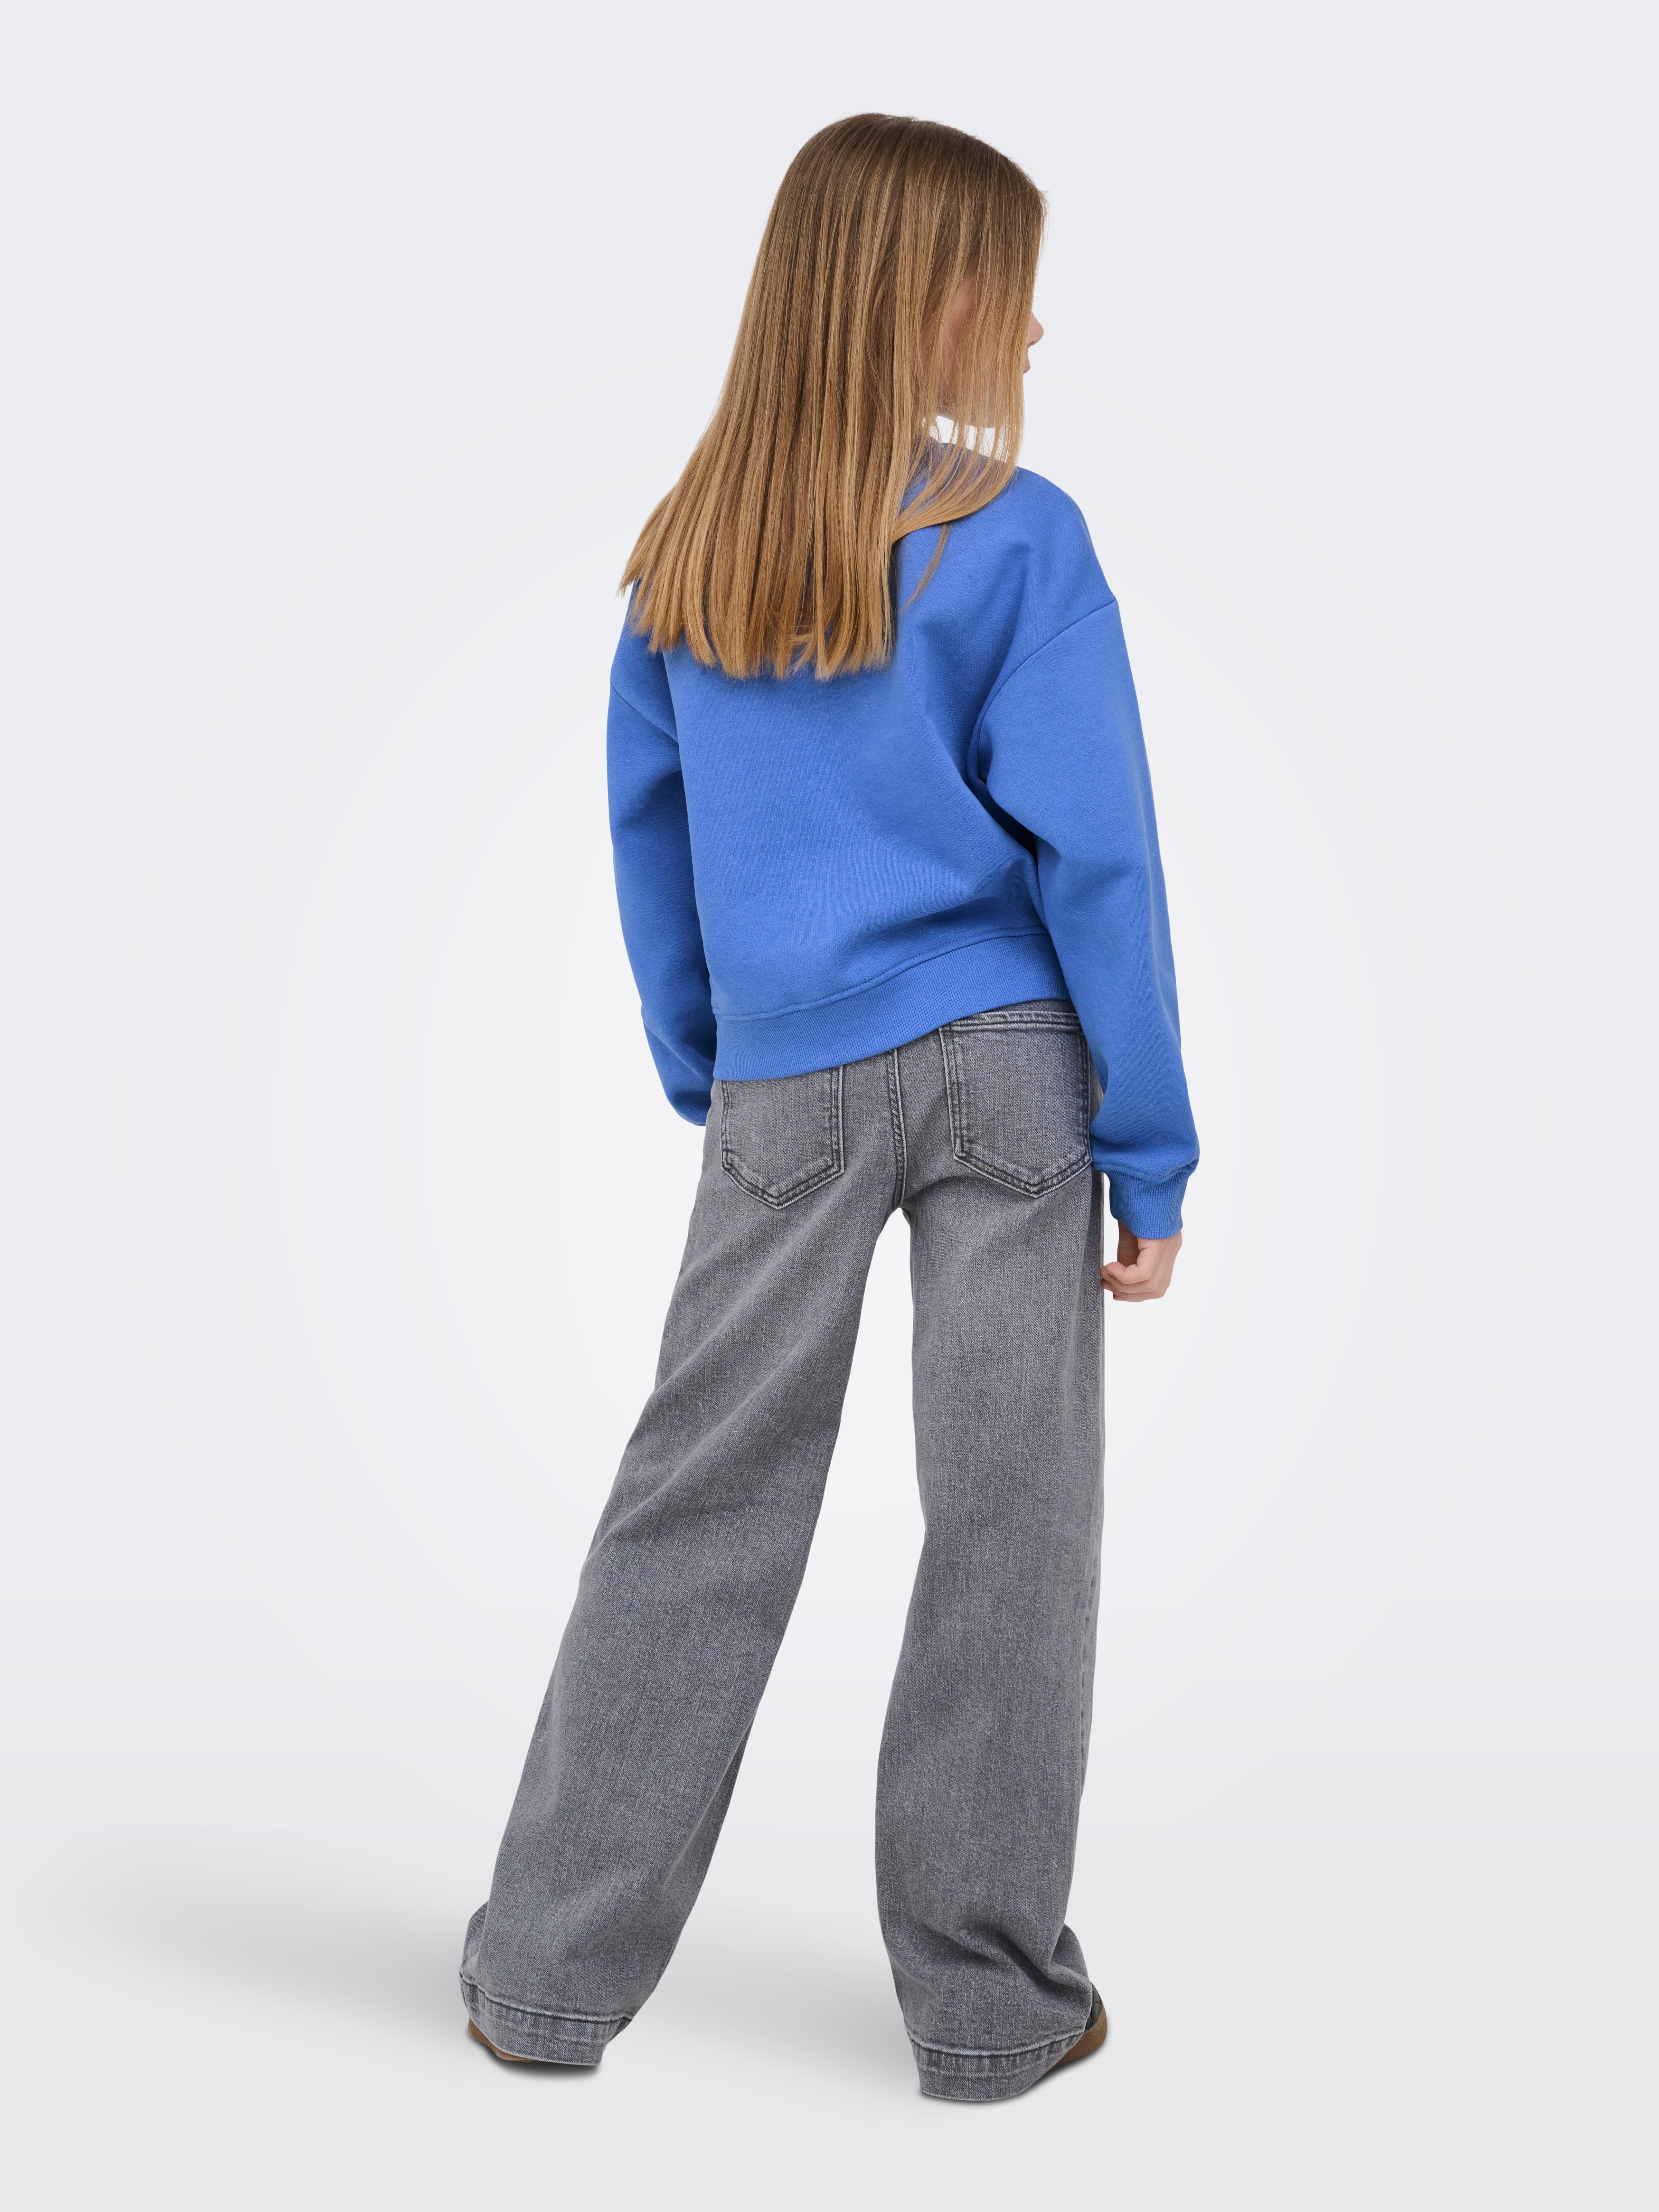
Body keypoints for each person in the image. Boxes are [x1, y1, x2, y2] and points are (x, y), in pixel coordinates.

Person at [460, 112, 1198, 2104]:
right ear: (928, 296)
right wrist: (1150, 1138)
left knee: (697, 1499)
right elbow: (1102, 857)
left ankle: (544, 1979)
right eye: (1008, 287)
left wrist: (710, 1053)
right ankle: (988, 2003)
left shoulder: (690, 549)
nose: (1031, 328)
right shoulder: (1016, 535)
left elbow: (651, 833)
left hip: (783, 1076)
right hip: (1011, 1062)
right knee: (1012, 1518)